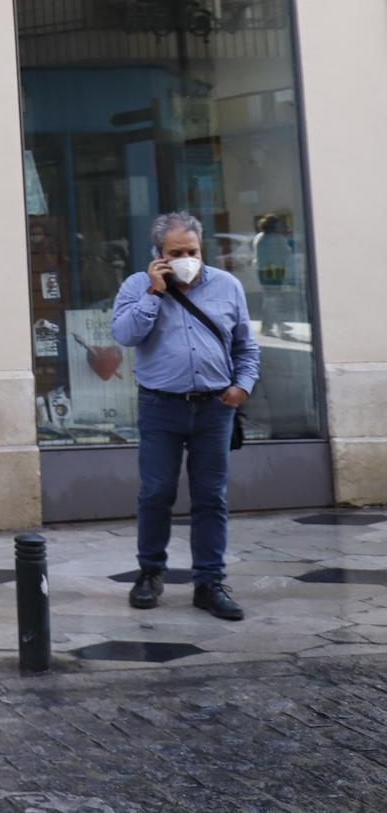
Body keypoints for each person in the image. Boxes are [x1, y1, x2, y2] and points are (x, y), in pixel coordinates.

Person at [112, 212, 260, 622]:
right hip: (161, 406)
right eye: (176, 252)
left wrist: (242, 386)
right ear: (158, 254)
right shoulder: (136, 287)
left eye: (192, 251)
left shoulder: (227, 286)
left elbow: (246, 346)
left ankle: (209, 582)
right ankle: (150, 573)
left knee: (211, 497)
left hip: (215, 408)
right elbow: (124, 335)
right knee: (157, 492)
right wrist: (154, 293)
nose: (186, 258)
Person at [253, 213, 296, 337]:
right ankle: (279, 324)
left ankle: (267, 325)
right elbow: (287, 252)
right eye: (279, 224)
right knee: (275, 299)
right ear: (274, 226)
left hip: (262, 270)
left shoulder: (259, 237)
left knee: (269, 299)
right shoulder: (277, 238)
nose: (281, 226)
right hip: (275, 270)